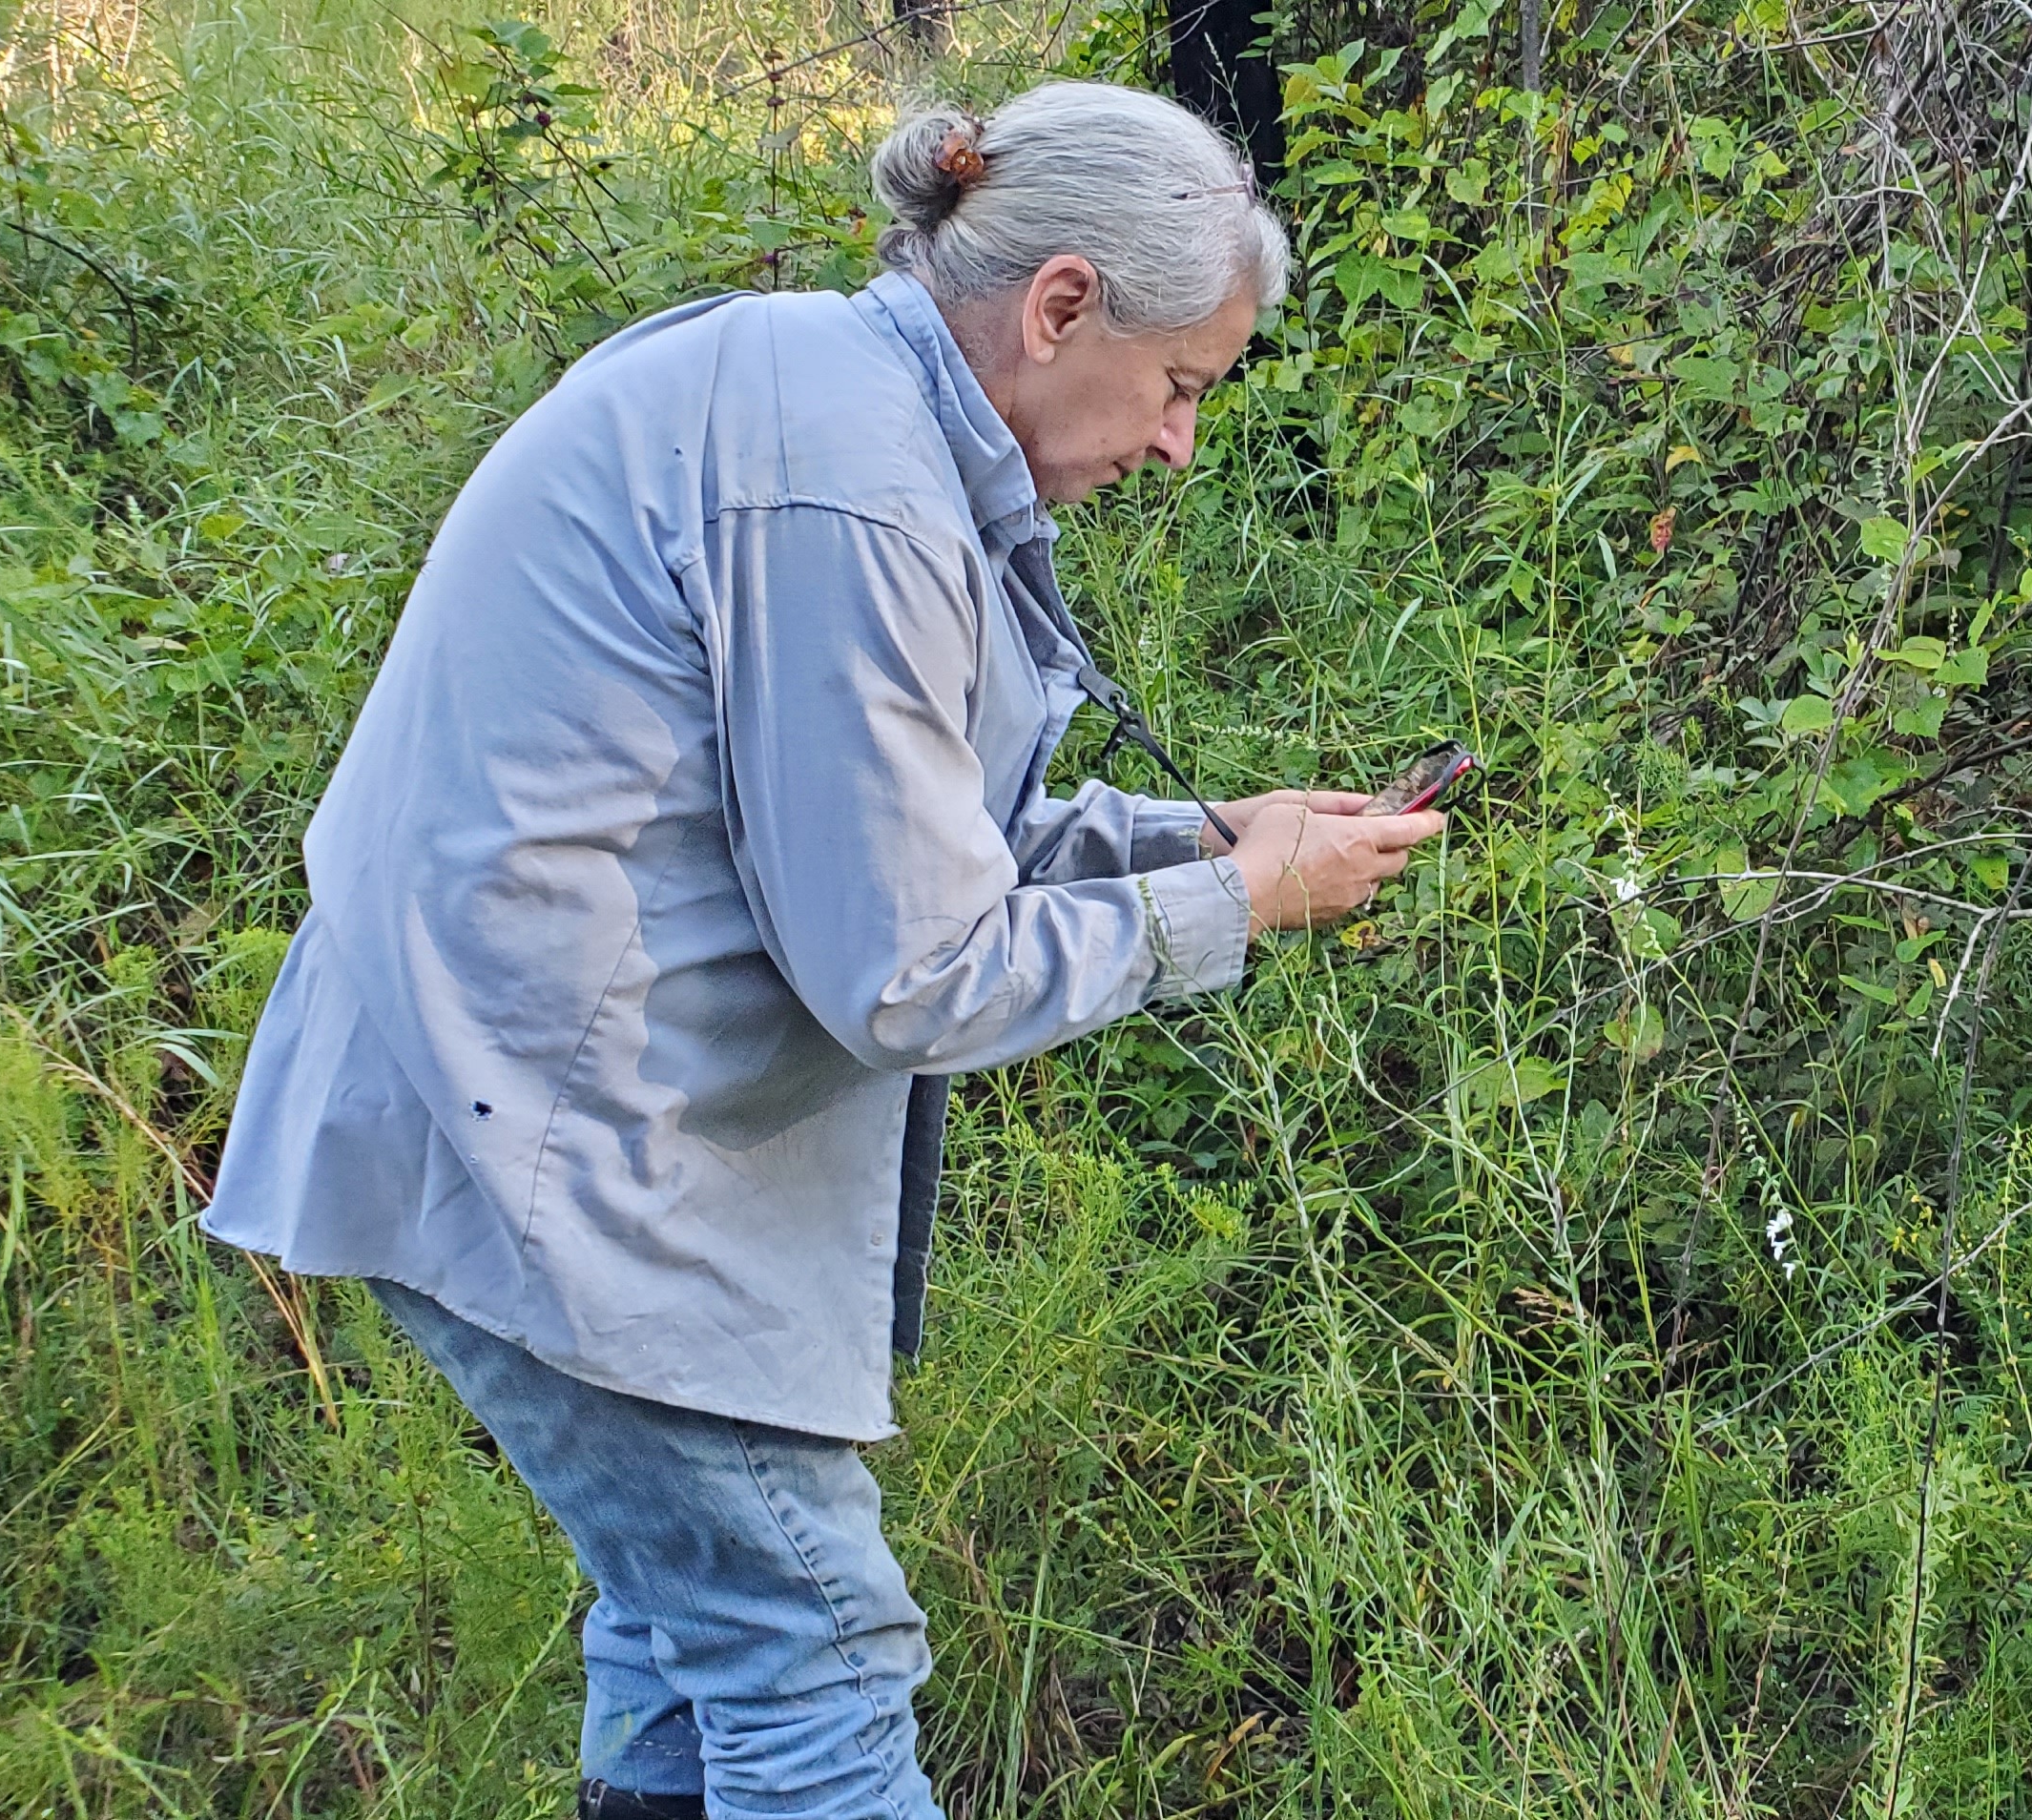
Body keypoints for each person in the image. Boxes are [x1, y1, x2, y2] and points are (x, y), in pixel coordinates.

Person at [197, 82, 1434, 1820]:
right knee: (813, 1657)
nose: (1177, 445)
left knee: (690, 1632)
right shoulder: (848, 494)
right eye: (1179, 387)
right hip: (550, 1140)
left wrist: (1203, 838)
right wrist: (1232, 907)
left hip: (523, 1108)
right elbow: (912, 972)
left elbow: (890, 844)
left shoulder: (831, 401)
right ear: (1062, 303)